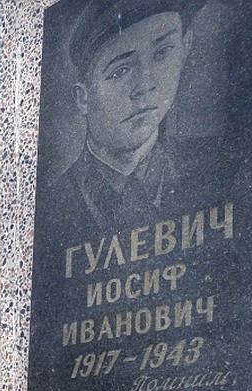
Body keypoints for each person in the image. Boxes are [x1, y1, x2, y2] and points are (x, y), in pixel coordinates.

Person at [50, 0, 207, 239]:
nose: (145, 85)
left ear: (186, 47)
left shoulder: (218, 167)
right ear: (83, 98)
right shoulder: (56, 203)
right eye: (120, 70)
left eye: (162, 52)